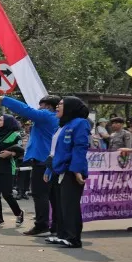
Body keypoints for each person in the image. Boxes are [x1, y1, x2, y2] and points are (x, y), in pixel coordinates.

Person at [0, 94, 60, 235]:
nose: (39, 107)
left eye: (41, 105)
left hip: (43, 160)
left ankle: (42, 225)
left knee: (40, 193)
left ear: (48, 106)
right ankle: (55, 226)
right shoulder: (57, 118)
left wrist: (6, 100)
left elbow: (26, 110)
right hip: (52, 159)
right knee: (53, 195)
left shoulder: (46, 115)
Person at [44, 97, 90, 248]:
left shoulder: (80, 123)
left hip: (71, 171)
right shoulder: (62, 125)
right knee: (60, 204)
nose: (57, 106)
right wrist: (49, 169)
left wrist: (77, 170)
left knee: (70, 205)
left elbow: (80, 147)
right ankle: (61, 234)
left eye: (61, 104)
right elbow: (54, 151)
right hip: (58, 169)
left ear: (70, 107)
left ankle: (73, 238)